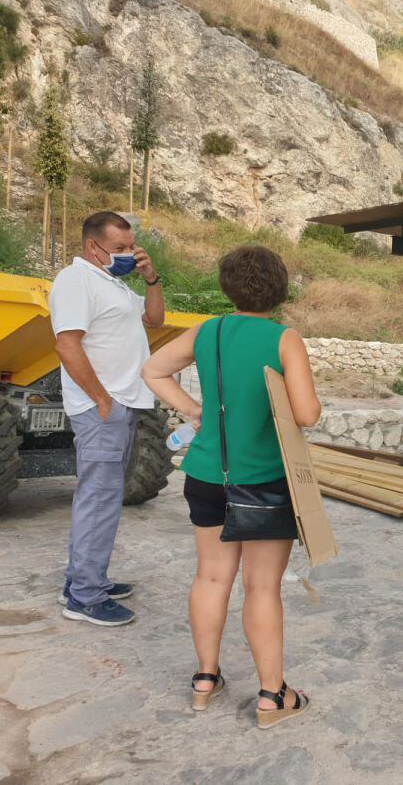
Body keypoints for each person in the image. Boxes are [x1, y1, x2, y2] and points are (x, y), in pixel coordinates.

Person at [141, 245, 322, 729]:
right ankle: (272, 695)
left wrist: (194, 410)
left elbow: (152, 370)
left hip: (205, 475)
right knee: (262, 586)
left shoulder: (208, 331)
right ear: (280, 289)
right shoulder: (285, 339)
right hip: (262, 480)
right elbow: (305, 415)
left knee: (211, 577)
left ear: (227, 287)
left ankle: (205, 679)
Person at [51, 211, 164, 627]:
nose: (127, 255)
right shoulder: (75, 280)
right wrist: (101, 399)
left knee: (100, 500)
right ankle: (85, 597)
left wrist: (151, 279)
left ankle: (84, 578)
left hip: (121, 404)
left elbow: (155, 320)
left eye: (130, 248)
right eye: (118, 249)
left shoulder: (110, 283)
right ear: (91, 247)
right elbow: (67, 345)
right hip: (103, 408)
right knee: (99, 501)